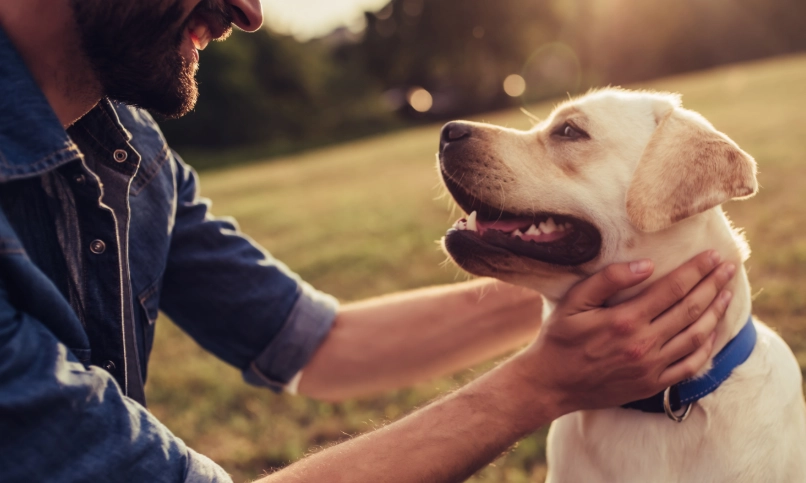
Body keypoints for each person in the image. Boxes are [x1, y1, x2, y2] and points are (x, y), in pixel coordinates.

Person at [0, 1, 736, 482]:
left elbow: (321, 343)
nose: (250, 11)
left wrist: (605, 280)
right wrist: (541, 383)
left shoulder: (128, 150)